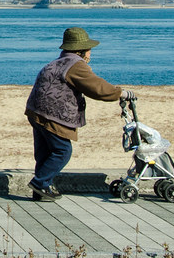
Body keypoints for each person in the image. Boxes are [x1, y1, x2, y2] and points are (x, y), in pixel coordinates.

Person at [24, 26, 134, 201]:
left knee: (45, 152)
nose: (90, 54)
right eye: (89, 50)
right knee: (62, 151)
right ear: (81, 50)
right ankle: (40, 183)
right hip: (52, 113)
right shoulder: (75, 65)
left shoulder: (56, 63)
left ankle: (41, 189)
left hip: (35, 111)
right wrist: (120, 93)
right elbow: (96, 87)